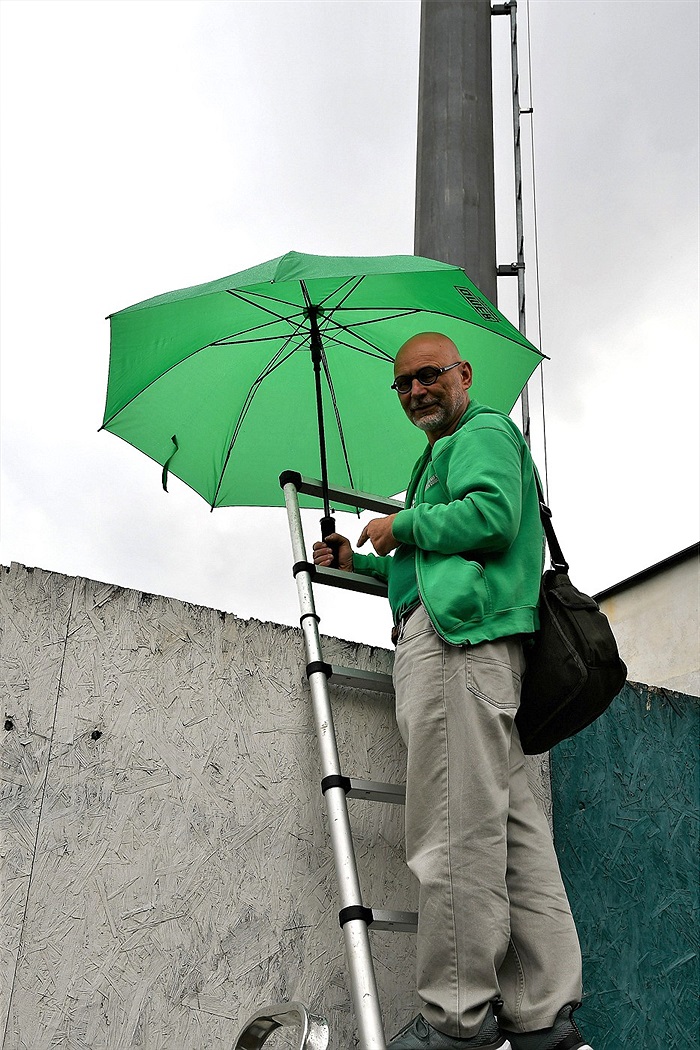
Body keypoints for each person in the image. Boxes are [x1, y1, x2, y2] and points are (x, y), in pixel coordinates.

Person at [312, 332, 592, 1050]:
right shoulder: (440, 453)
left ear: (463, 375)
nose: (415, 392)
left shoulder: (482, 430)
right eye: (402, 385)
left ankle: (460, 1025)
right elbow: (430, 569)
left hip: (457, 650)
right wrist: (368, 562)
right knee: (513, 838)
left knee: (451, 836)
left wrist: (399, 522)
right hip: (475, 648)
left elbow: (493, 518)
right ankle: (542, 1018)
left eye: (428, 376)